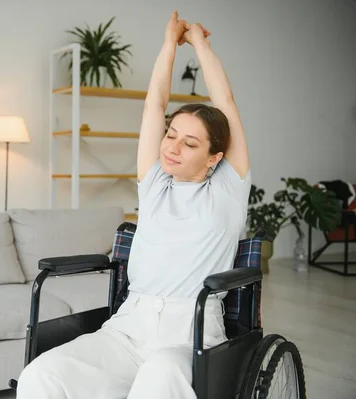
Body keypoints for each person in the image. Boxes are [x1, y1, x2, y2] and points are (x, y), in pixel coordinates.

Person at [16, 10, 252, 398]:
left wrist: (199, 43)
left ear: (214, 157)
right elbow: (153, 107)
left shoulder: (228, 189)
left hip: (189, 332)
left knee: (159, 375)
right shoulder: (156, 182)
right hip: (129, 326)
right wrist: (168, 44)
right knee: (40, 376)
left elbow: (224, 101)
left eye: (189, 143)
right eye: (171, 135)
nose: (172, 148)